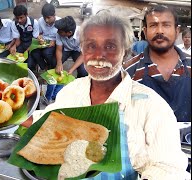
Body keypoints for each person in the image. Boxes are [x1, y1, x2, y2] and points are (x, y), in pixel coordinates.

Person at [24, 10, 189, 179]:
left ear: (125, 51)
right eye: (90, 46)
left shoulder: (151, 106)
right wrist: (11, 115)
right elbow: (46, 122)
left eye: (110, 46)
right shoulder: (71, 92)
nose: (98, 55)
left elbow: (169, 170)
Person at [126, 5, 191, 122]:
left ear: (177, 31)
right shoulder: (129, 71)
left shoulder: (190, 65)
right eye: (153, 25)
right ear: (145, 32)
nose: (160, 31)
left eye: (166, 25)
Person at [30, 3, 61, 104]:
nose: (46, 20)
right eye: (45, 18)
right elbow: (39, 33)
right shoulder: (40, 21)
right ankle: (44, 67)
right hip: (44, 42)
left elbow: (62, 38)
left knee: (47, 53)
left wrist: (55, 41)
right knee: (34, 51)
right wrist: (39, 38)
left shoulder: (59, 21)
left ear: (54, 15)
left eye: (48, 18)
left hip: (54, 42)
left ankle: (50, 69)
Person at [10, 5, 39, 71]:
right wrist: (14, 46)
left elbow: (35, 41)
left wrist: (27, 50)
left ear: (26, 15)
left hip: (32, 45)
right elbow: (18, 40)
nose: (19, 20)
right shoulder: (14, 24)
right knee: (13, 60)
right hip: (22, 44)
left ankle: (34, 71)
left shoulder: (34, 23)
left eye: (21, 17)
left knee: (29, 64)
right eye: (17, 18)